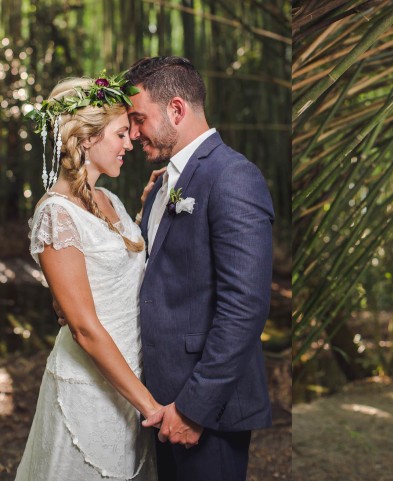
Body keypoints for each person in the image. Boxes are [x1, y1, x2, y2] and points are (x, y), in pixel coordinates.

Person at [124, 56, 274, 481]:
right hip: (158, 399)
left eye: (138, 119)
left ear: (176, 109)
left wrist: (193, 409)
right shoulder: (159, 187)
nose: (133, 135)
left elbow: (244, 306)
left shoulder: (233, 176)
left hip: (206, 407)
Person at [18, 75, 161, 480]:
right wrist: (149, 406)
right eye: (120, 134)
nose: (130, 144)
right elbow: (82, 326)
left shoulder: (107, 199)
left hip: (128, 379)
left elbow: (111, 267)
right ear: (85, 140)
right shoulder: (55, 214)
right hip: (92, 387)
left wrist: (146, 212)